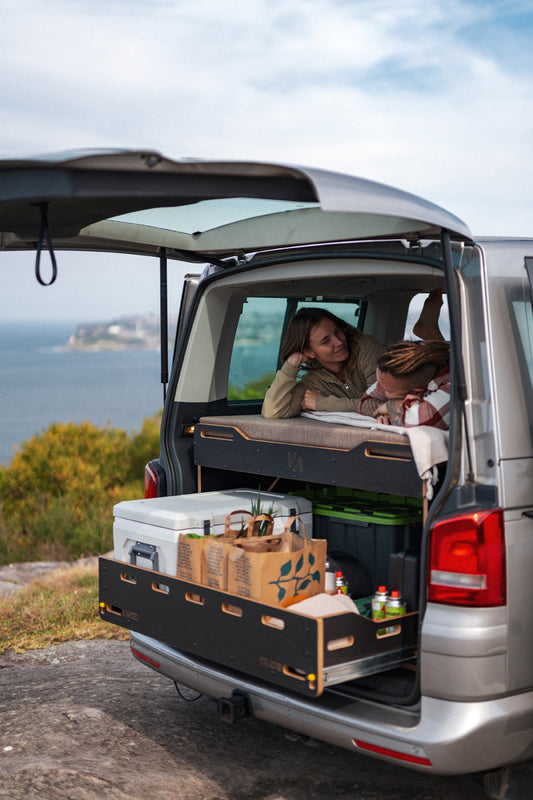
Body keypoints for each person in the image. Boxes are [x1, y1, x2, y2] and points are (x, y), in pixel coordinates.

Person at [262, 307, 385, 418]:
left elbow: (380, 404)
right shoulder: (312, 382)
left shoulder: (365, 348)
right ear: (310, 352)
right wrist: (291, 364)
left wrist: (321, 403)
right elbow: (273, 411)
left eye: (337, 332)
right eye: (326, 341)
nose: (339, 342)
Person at [357, 340, 451, 428]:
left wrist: (389, 406)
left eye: (387, 390)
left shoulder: (454, 381)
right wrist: (386, 412)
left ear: (417, 392)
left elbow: (421, 419)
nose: (377, 389)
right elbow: (363, 402)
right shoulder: (404, 359)